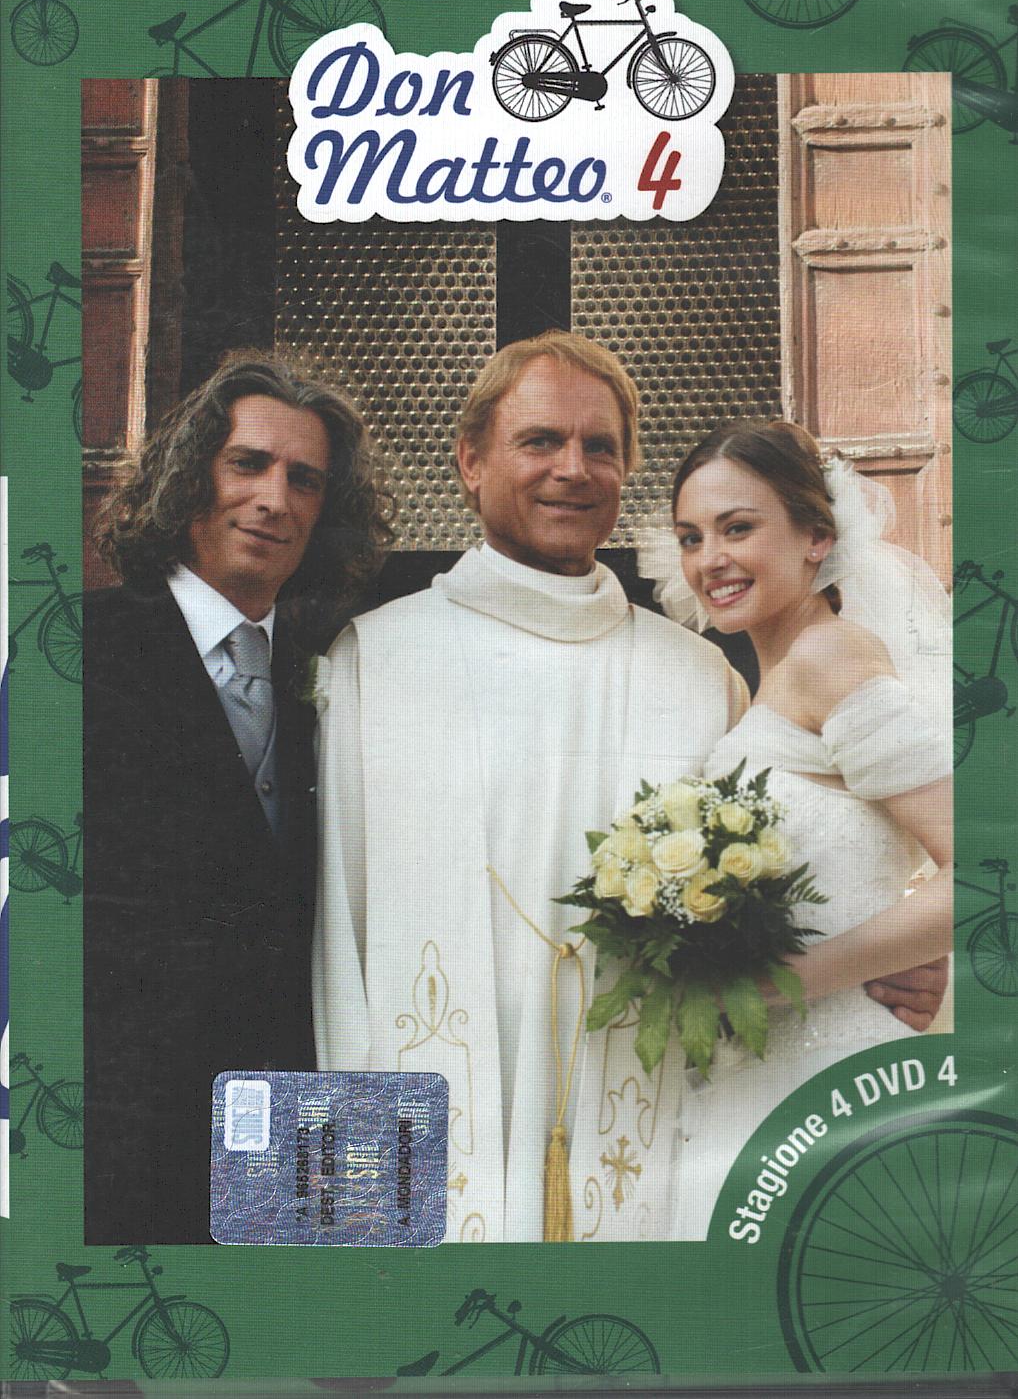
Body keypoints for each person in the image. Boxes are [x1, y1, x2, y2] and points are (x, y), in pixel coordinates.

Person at [313, 334, 943, 1242]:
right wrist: (347, 1211)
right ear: (470, 462)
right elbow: (334, 947)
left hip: (671, 1134)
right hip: (436, 1131)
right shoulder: (374, 661)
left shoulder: (700, 675)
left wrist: (899, 951)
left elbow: (817, 852)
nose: (573, 469)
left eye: (600, 446)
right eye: (540, 440)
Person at [84, 351, 391, 1244]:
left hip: (294, 1119)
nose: (274, 499)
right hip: (123, 1130)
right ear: (190, 478)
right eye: (247, 464)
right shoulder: (80, 652)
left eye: (305, 479)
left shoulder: (337, 668)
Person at [656, 419, 953, 1240]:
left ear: (817, 537)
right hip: (761, 1082)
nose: (710, 559)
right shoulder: (765, 684)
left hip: (831, 1078)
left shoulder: (832, 659)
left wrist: (787, 982)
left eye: (737, 528)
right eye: (691, 536)